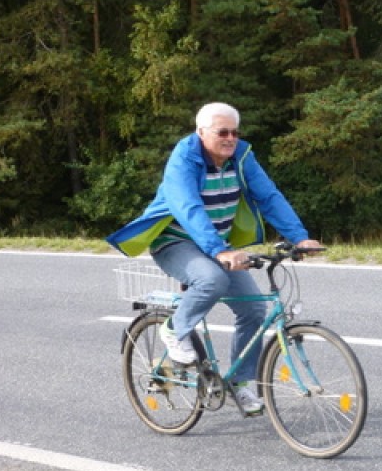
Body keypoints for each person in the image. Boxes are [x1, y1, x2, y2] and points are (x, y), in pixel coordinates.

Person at [107, 102, 323, 415]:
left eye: (235, 132)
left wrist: (299, 237)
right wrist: (219, 250)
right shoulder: (184, 159)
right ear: (201, 132)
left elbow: (269, 197)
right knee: (212, 279)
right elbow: (188, 207)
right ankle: (174, 329)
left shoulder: (242, 157)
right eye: (223, 132)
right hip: (176, 242)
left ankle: (238, 384)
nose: (230, 138)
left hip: (216, 243)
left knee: (253, 308)